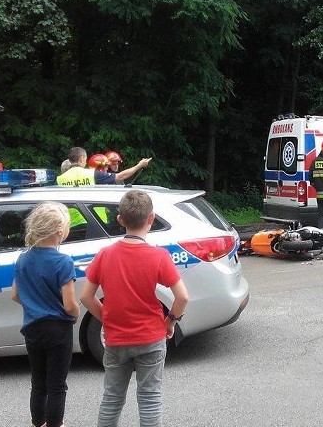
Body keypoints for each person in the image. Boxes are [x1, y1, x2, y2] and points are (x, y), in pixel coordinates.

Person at [79, 190, 189, 427]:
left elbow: (86, 297)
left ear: (120, 220)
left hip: (116, 339)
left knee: (112, 398)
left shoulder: (105, 255)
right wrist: (170, 322)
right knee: (149, 398)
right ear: (151, 219)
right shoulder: (158, 256)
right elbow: (182, 297)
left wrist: (106, 318)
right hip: (151, 337)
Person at [10, 202, 80, 427]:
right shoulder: (63, 261)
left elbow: (15, 294)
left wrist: (33, 305)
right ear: (59, 231)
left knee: (38, 383)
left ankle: (37, 423)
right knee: (57, 385)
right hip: (57, 328)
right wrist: (76, 312)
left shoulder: (23, 258)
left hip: (32, 326)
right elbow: (69, 305)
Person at [57, 147, 151, 186]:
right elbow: (121, 176)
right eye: (85, 159)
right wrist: (139, 165)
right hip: (96, 221)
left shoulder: (59, 179)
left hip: (70, 223)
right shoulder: (92, 174)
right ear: (82, 159)